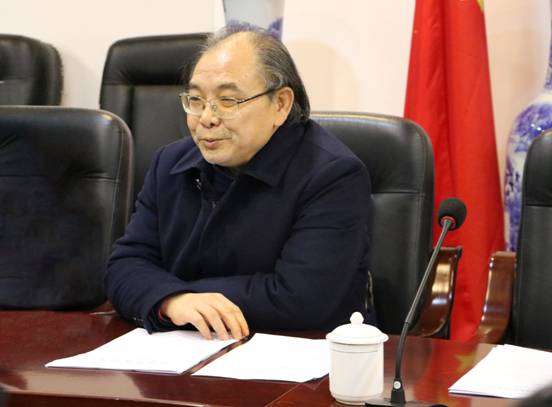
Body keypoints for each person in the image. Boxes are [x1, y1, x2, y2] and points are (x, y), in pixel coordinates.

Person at [105, 25, 373, 340]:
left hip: (297, 352)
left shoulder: (332, 175)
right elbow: (124, 266)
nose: (207, 118)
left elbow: (301, 297)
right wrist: (172, 301)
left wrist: (174, 291)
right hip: (186, 349)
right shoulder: (170, 163)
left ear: (281, 104)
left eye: (228, 100)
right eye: (195, 99)